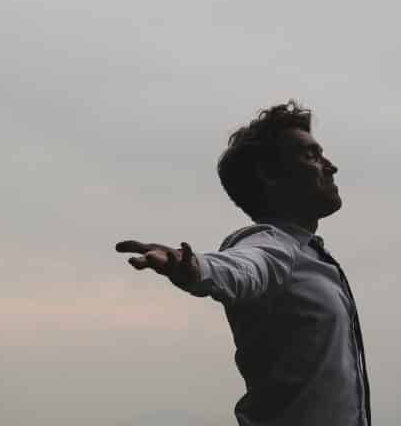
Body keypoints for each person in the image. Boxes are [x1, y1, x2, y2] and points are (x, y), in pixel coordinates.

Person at [115, 101, 370, 425]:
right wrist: (195, 268)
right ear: (270, 175)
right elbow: (244, 266)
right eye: (311, 156)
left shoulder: (306, 254)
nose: (330, 166)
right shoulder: (270, 245)